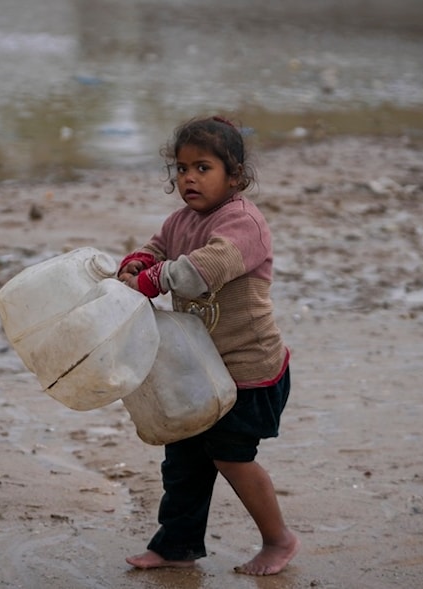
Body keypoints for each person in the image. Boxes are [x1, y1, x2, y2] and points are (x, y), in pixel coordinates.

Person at [117, 115, 299, 576]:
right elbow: (159, 249)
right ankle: (176, 544)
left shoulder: (243, 224)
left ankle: (279, 539)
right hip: (200, 369)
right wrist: (137, 263)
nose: (189, 178)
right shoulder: (180, 221)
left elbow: (199, 273)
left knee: (231, 457)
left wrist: (152, 279)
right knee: (183, 460)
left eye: (203, 168)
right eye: (181, 169)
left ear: (234, 175)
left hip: (250, 370)